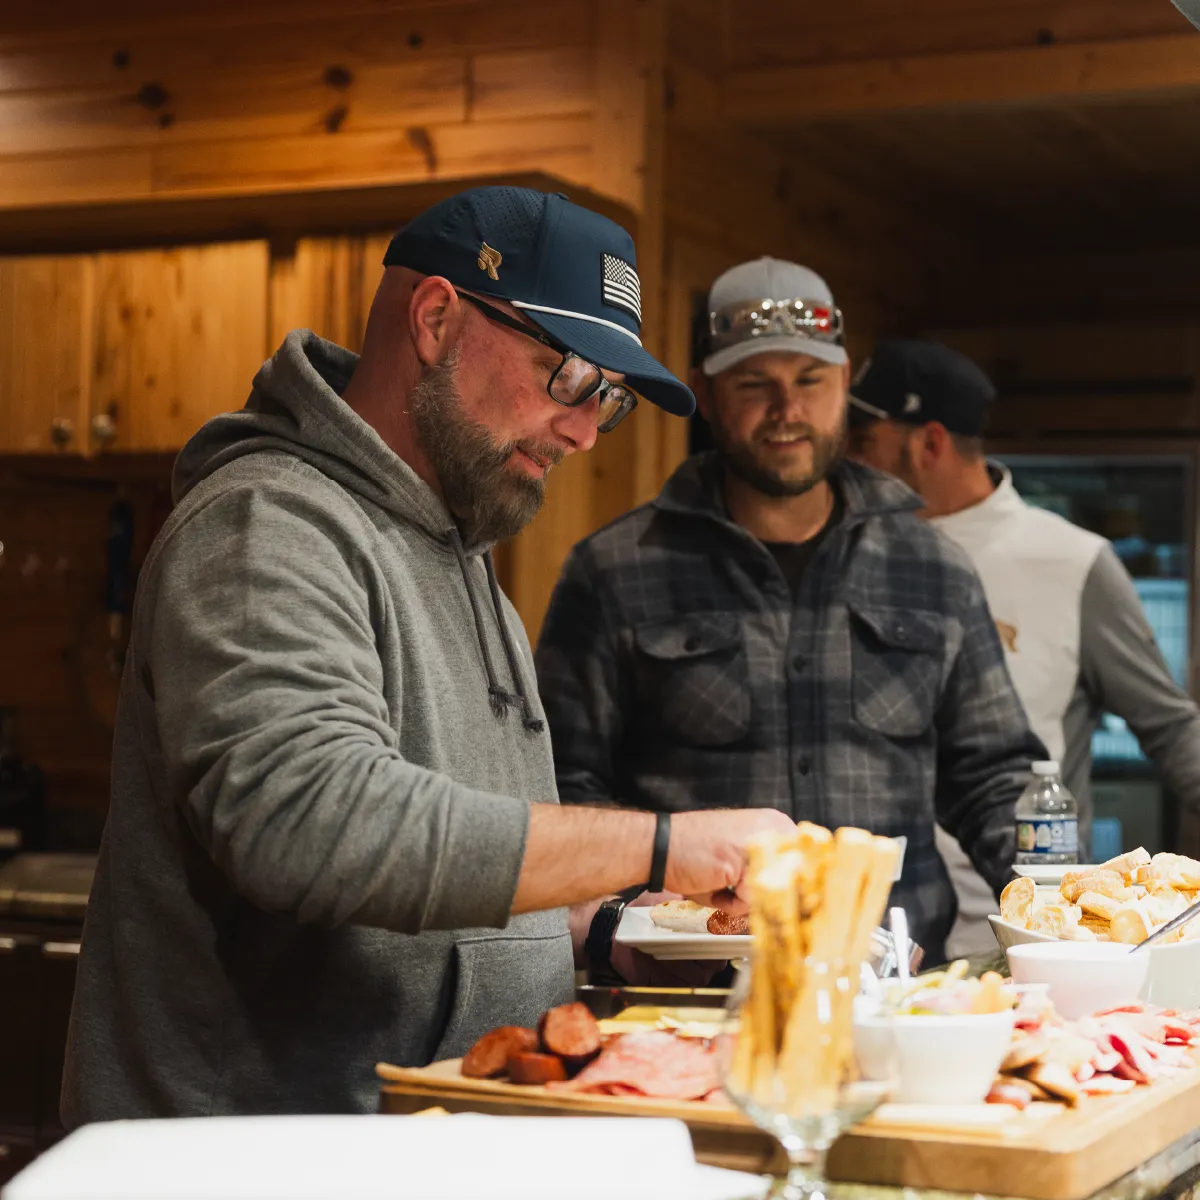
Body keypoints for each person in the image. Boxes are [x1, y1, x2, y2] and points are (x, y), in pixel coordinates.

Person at [60, 187, 796, 1125]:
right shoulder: (268, 523)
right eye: (566, 374)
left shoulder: (461, 551)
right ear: (439, 318)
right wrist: (660, 844)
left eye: (605, 401)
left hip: (417, 1146)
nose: (581, 428)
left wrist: (601, 927)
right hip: (252, 1161)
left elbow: (436, 868)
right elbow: (309, 821)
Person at [534, 257, 1045, 965]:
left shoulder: (935, 569)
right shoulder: (612, 571)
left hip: (897, 985)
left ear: (843, 386)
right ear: (706, 397)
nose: (788, 411)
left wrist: (1056, 906)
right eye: (755, 385)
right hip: (681, 985)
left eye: (810, 381)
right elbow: (562, 783)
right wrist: (624, 903)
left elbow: (992, 777)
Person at [846, 338, 1200, 954]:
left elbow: (1171, 728)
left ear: (928, 444)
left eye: (863, 442)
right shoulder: (848, 558)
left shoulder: (1072, 560)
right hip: (872, 930)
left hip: (1023, 938)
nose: (845, 458)